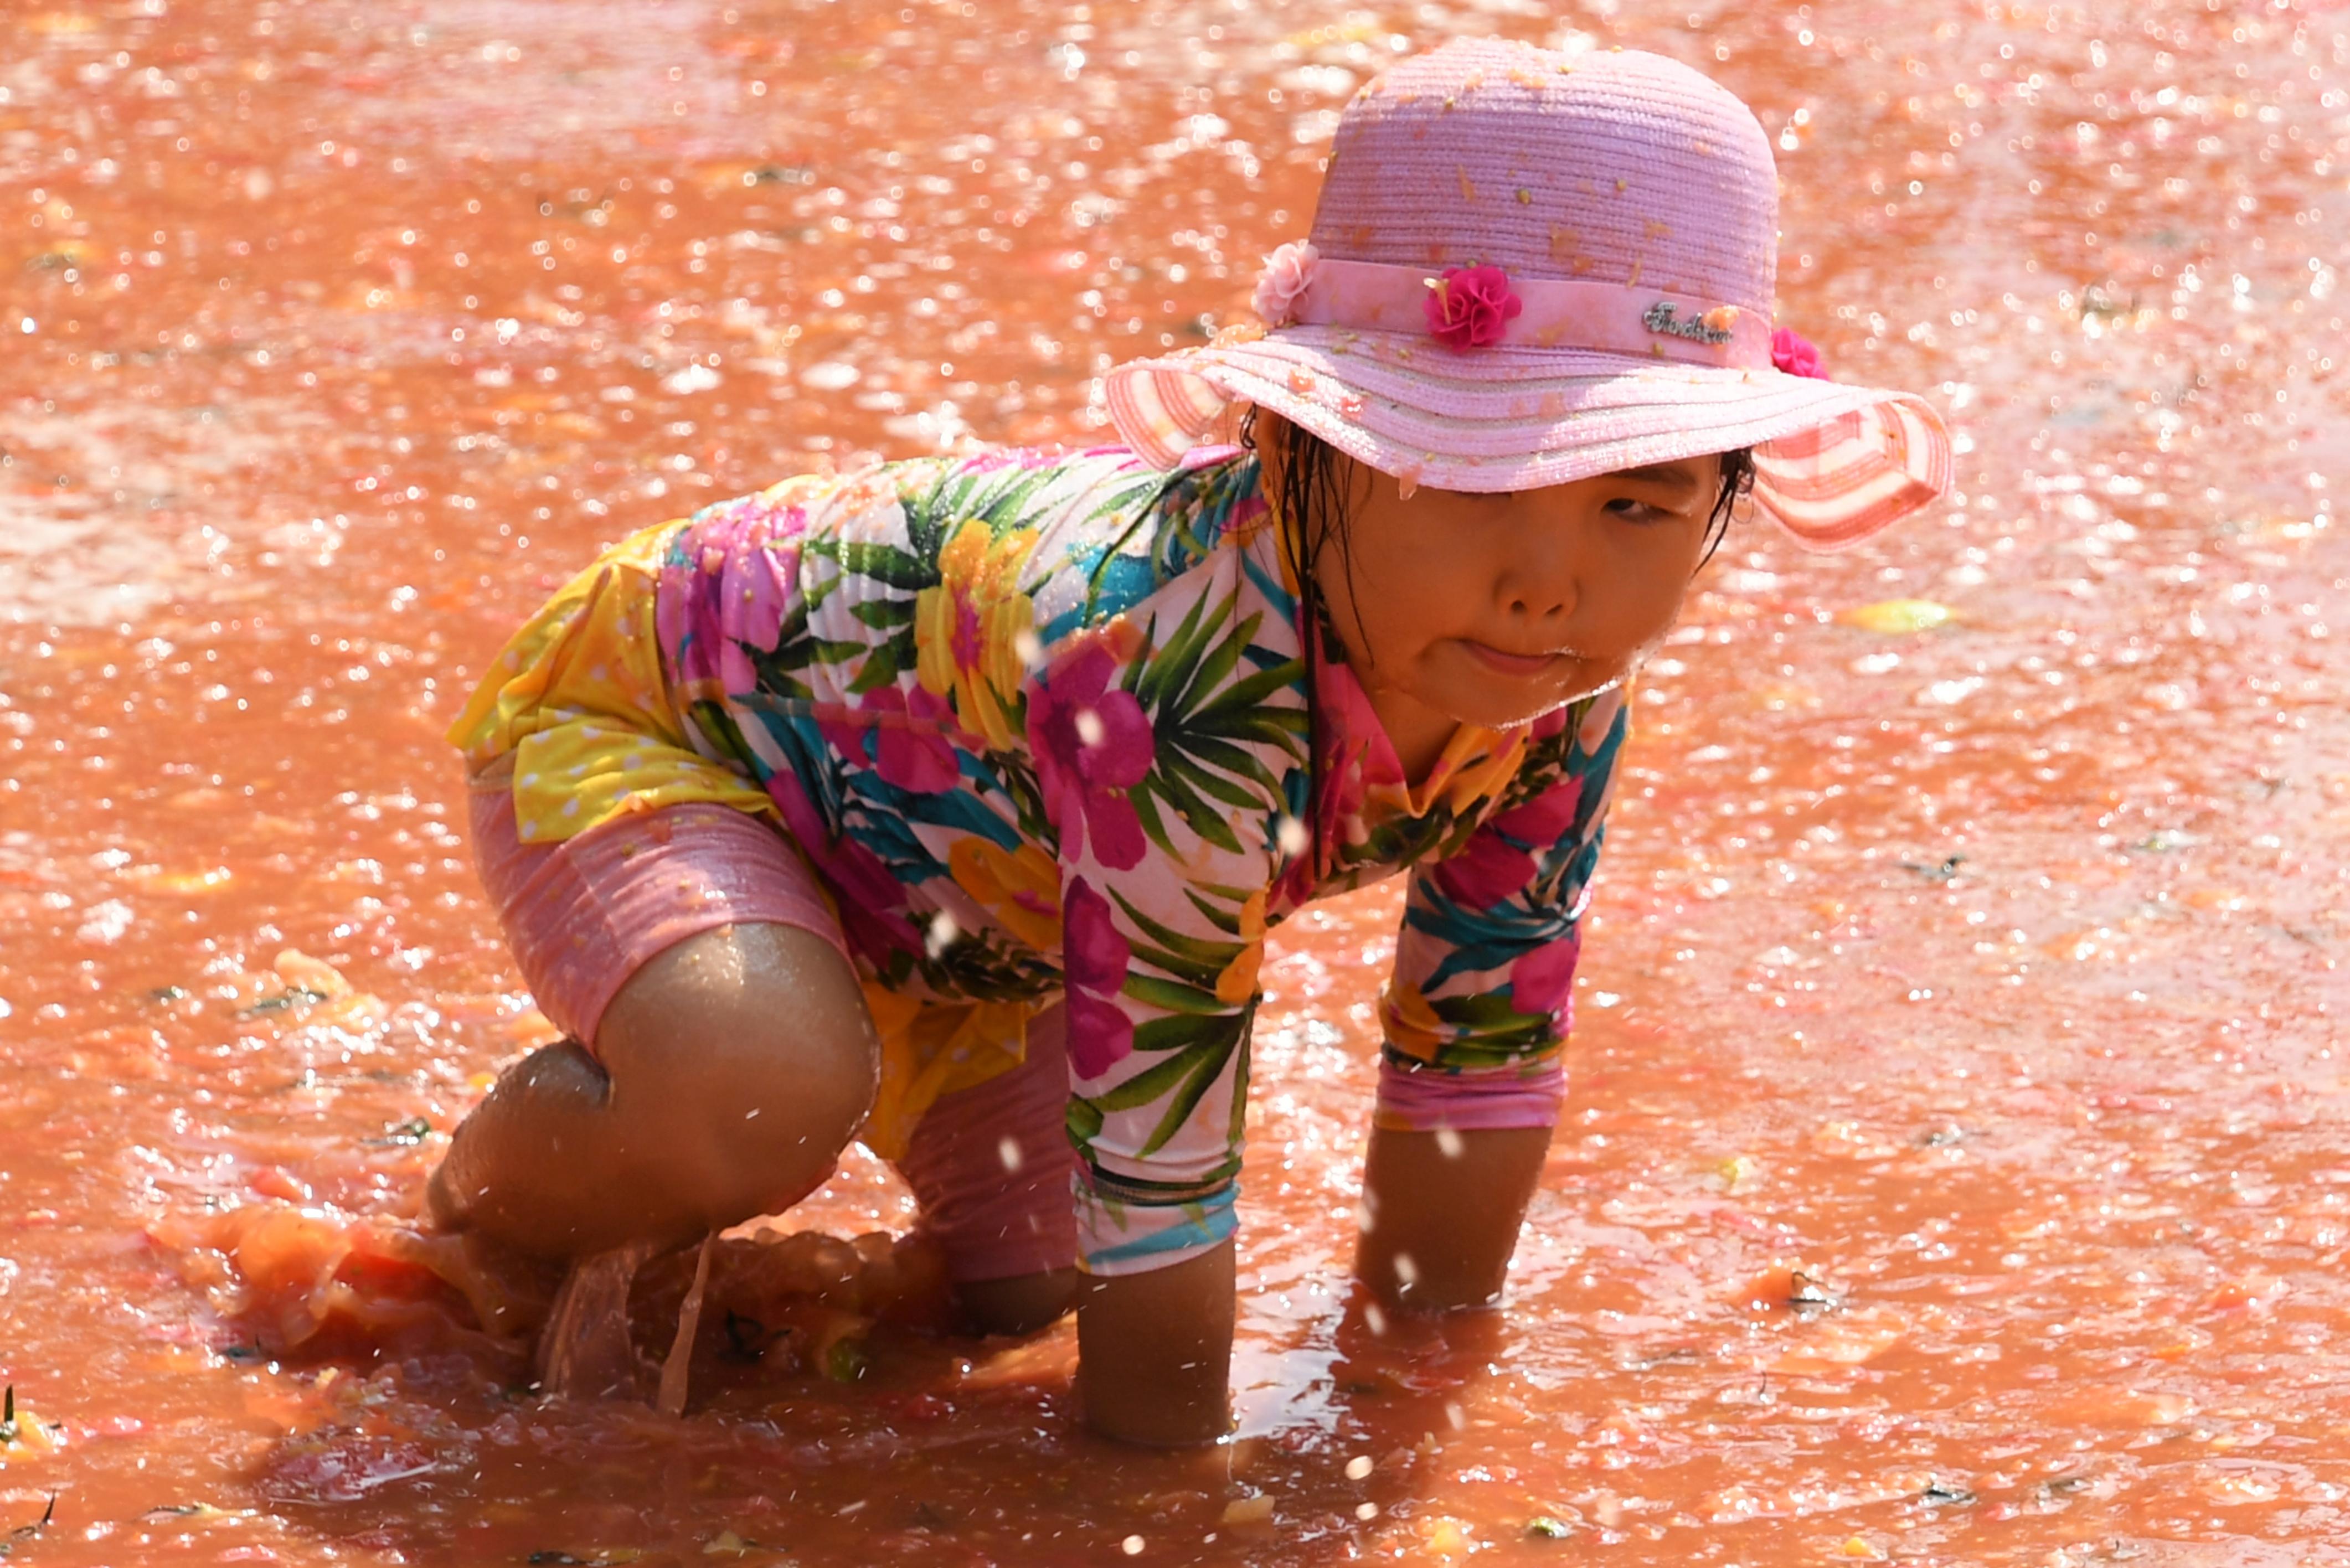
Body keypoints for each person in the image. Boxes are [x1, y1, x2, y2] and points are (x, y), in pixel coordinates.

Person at [425, 37, 1950, 1445]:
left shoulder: (1549, 687)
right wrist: (1163, 1496)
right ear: (1297, 451)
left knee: (1030, 1297)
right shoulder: (1178, 663)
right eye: (1468, 482)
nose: (1548, 579)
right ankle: (473, 1214)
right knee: (757, 1097)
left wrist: (1412, 1389)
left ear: (1720, 503)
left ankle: (766, 1075)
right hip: (668, 722)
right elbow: (1166, 1095)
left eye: (1635, 502)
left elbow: (1479, 1036)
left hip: (977, 881)